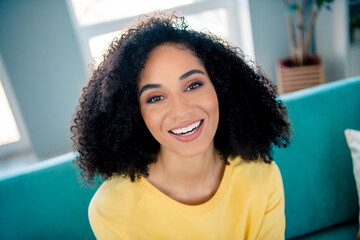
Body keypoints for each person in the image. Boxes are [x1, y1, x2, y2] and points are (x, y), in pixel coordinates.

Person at [71, 12, 292, 240]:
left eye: (193, 85)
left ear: (220, 86)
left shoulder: (262, 177)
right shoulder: (111, 209)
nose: (181, 111)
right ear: (134, 114)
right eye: (155, 98)